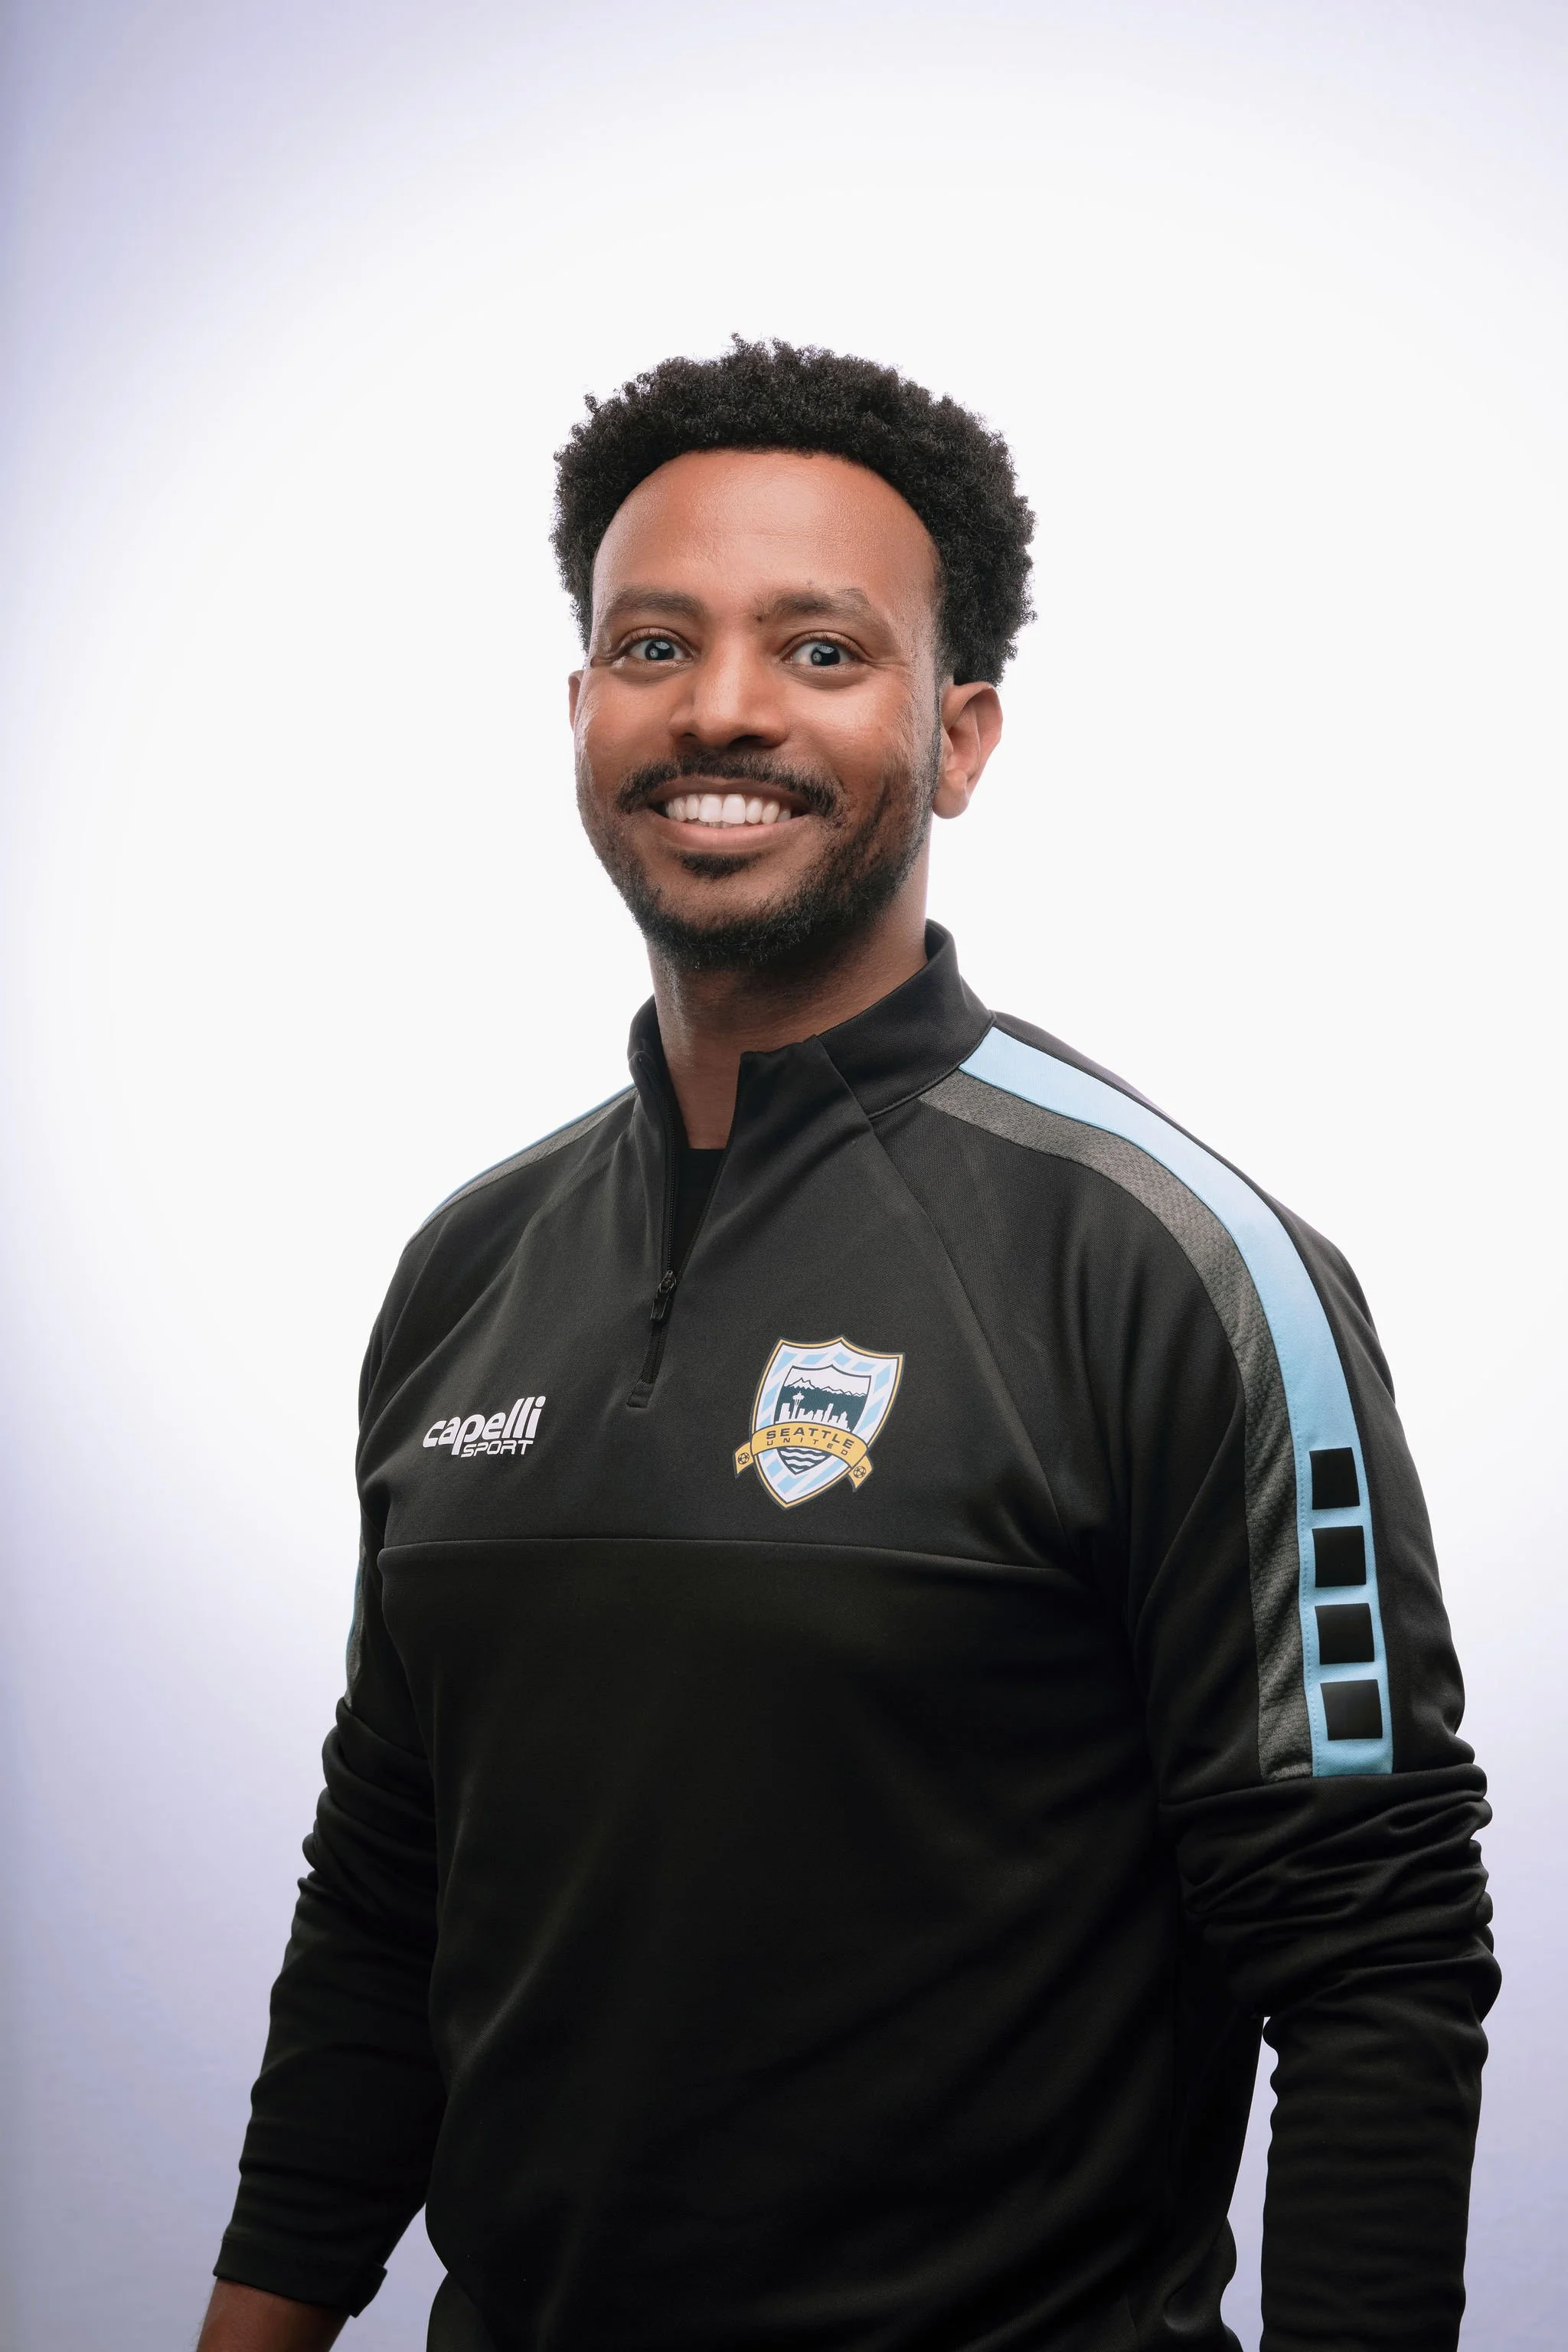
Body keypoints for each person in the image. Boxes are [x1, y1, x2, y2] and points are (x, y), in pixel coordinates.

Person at [197, 340, 1496, 2352]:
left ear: (959, 735)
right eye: (655, 643)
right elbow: (390, 1894)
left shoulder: (1176, 1264)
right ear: (579, 711)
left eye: (820, 650)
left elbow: (1376, 1956)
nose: (723, 706)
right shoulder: (469, 1268)